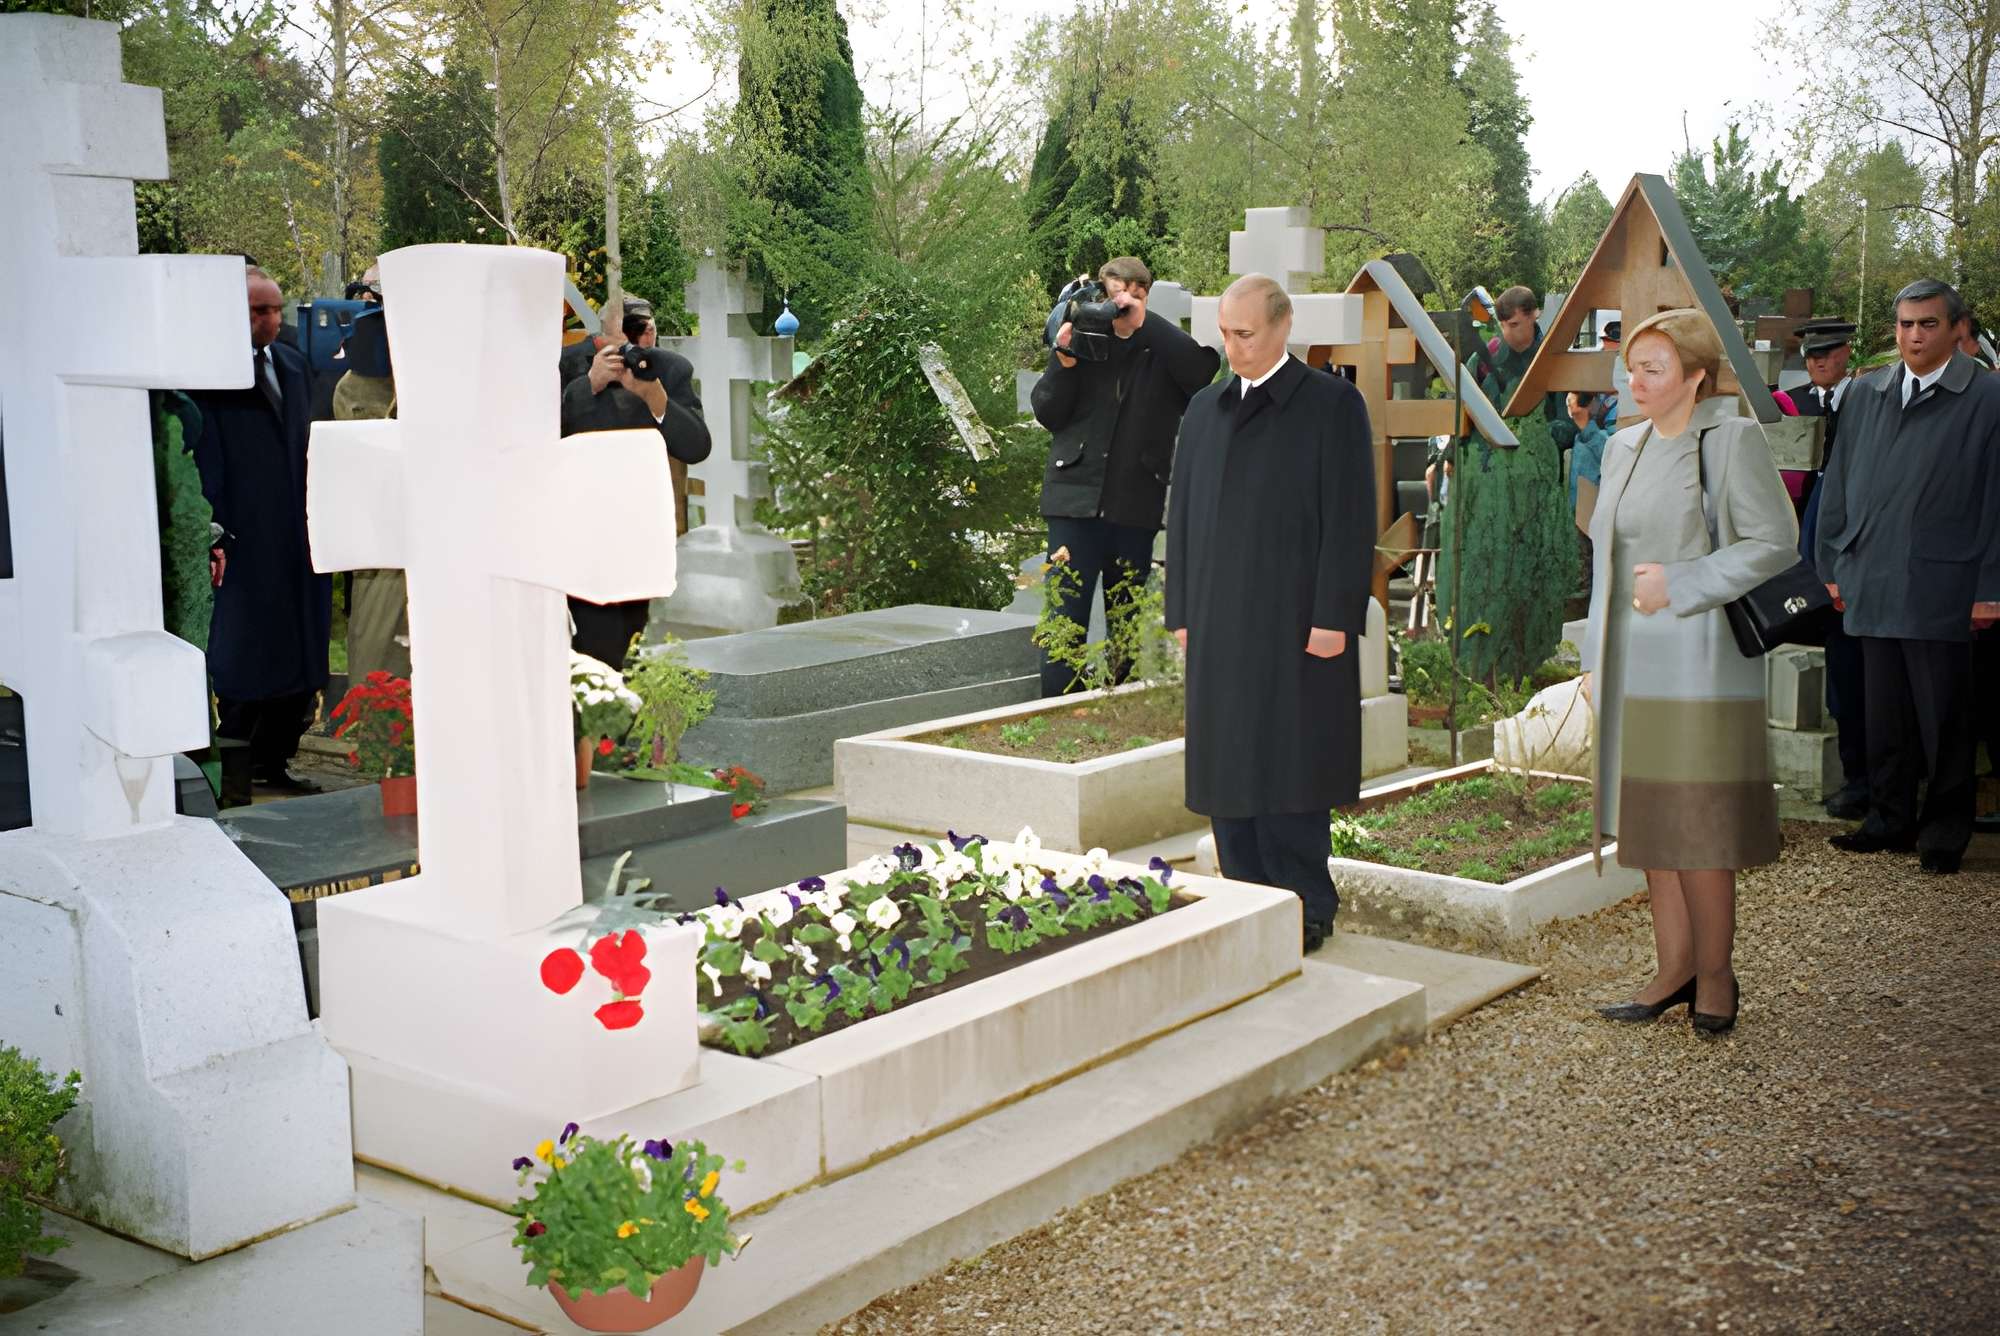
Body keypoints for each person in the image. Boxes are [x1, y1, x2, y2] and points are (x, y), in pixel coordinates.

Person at [1581, 308, 1797, 1035]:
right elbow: (1605, 564)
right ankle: (1671, 968)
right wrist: (1591, 662)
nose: (1636, 381)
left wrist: (1680, 582)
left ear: (1697, 377)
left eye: (1654, 368)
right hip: (1630, 666)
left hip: (1700, 664)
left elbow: (1774, 542)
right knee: (1649, 828)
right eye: (1632, 367)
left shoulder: (1729, 439)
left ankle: (1715, 974)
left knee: (1699, 830)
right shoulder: (1623, 446)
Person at [1166, 274, 1375, 954]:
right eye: (1224, 333)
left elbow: (1350, 517)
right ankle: (1244, 891)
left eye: (1245, 334)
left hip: (1295, 622)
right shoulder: (1203, 409)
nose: (1232, 347)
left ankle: (1306, 902)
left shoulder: (1331, 405)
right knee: (1230, 763)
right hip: (1220, 622)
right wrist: (1180, 611)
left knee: (1292, 761)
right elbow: (1184, 514)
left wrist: (1335, 616)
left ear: (1283, 328)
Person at [1815, 279, 2000, 875]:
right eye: (1904, 324)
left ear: (1953, 329)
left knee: (1944, 717)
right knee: (1884, 711)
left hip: (1943, 584)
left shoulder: (1986, 399)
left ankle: (1945, 832)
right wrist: (1833, 564)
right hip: (1871, 575)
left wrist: (1990, 587)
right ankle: (1889, 819)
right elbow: (1838, 482)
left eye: (1927, 324)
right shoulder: (1867, 394)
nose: (1914, 335)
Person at [1032, 256, 1219, 695]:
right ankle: (1056, 711)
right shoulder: (1082, 342)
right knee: (1064, 617)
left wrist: (1145, 324)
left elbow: (1201, 374)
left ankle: (1121, 703)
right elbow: (1048, 411)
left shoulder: (1163, 350)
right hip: (1073, 503)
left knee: (1126, 618)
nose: (1126, 303)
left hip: (1135, 504)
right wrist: (1064, 361)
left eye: (1138, 295)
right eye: (1119, 295)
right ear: (1102, 294)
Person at [190, 264, 333, 794]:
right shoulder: (211, 379)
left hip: (298, 539)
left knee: (299, 651)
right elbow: (206, 463)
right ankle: (235, 769)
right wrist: (215, 533)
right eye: (258, 311)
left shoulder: (294, 368)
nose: (270, 320)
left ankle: (278, 759)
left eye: (274, 309)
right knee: (246, 656)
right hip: (245, 541)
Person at [558, 296, 711, 668]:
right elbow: (531, 437)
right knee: (593, 648)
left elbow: (696, 446)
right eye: (630, 331)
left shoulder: (669, 370)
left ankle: (615, 713)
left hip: (639, 534)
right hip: (576, 534)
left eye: (647, 331)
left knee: (629, 641)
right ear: (600, 333)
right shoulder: (562, 366)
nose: (639, 342)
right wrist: (587, 385)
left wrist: (653, 396)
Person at [1785, 319, 1869, 818]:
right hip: (1807, 554)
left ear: (1846, 353)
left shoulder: (1867, 400)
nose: (1817, 362)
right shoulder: (1791, 403)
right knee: (1838, 672)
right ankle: (1854, 776)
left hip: (1853, 551)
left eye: (1828, 353)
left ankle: (1866, 779)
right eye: (1811, 355)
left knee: (1857, 669)